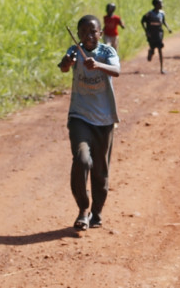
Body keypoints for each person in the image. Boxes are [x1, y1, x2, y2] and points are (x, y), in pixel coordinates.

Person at [57, 15, 121, 231]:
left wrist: (98, 65)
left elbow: (117, 71)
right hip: (79, 117)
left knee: (100, 171)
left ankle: (97, 212)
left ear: (100, 33)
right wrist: (66, 63)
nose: (88, 36)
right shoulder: (74, 51)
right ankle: (83, 209)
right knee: (82, 159)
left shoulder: (107, 52)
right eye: (83, 32)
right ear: (79, 34)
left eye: (92, 31)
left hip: (104, 120)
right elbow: (64, 66)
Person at [141, 0, 172, 74]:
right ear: (155, 5)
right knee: (152, 47)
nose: (162, 5)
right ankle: (151, 51)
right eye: (160, 3)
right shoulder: (149, 14)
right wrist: (146, 31)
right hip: (151, 34)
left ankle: (161, 68)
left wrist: (168, 28)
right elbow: (142, 21)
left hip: (159, 33)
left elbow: (164, 22)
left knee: (160, 49)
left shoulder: (162, 13)